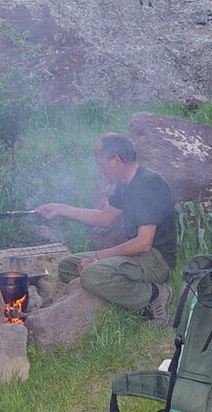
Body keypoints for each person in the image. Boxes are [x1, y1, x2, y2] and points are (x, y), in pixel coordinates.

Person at [35, 133, 176, 324]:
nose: (100, 170)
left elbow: (143, 243)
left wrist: (99, 257)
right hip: (136, 254)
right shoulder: (124, 186)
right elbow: (104, 218)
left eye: (101, 164)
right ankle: (120, 290)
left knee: (92, 273)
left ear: (116, 160)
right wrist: (62, 208)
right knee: (68, 266)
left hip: (156, 259)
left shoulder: (148, 184)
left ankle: (154, 294)